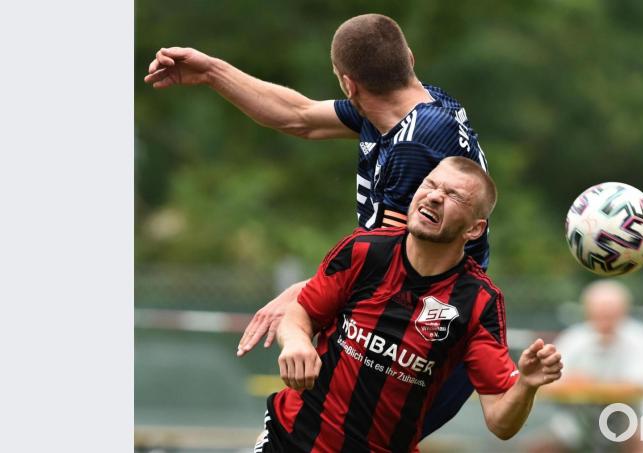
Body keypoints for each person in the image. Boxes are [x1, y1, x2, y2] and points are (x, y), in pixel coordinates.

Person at [144, 13, 490, 436]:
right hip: (394, 323)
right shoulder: (414, 106)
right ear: (409, 59)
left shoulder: (414, 148)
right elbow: (299, 116)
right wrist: (213, 71)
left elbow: (393, 263)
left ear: (348, 83)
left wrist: (303, 296)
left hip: (419, 337)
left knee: (309, 433)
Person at [257, 157, 562, 452]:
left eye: (454, 195)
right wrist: (296, 341)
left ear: (474, 229)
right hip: (290, 439)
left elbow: (500, 422)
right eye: (430, 184)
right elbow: (301, 313)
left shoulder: (479, 302)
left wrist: (526, 385)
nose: (434, 197)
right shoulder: (365, 251)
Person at [532, 280, 643, 453]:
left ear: (624, 310)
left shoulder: (639, 337)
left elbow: (639, 387)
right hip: (580, 420)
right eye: (600, 309)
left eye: (610, 310)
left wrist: (586, 384)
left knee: (639, 438)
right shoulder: (574, 338)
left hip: (633, 417)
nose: (605, 315)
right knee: (539, 447)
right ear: (587, 310)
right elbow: (546, 384)